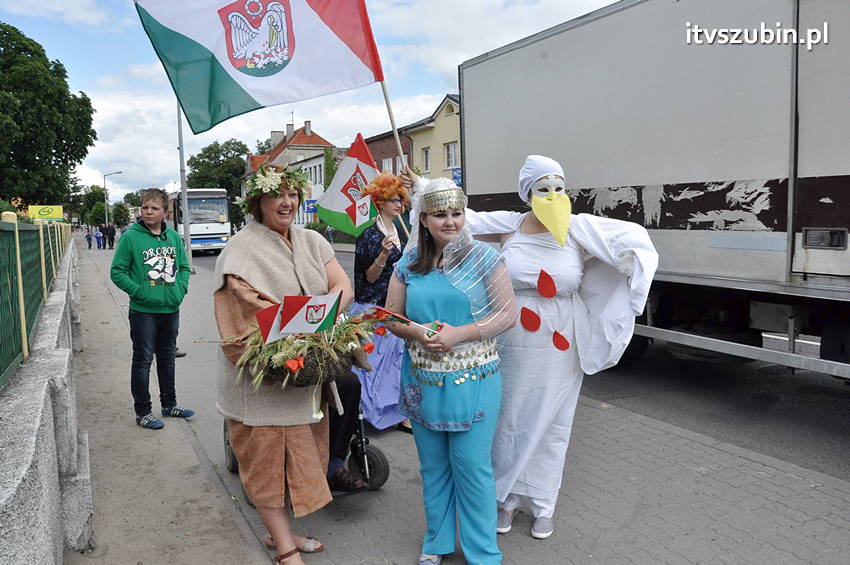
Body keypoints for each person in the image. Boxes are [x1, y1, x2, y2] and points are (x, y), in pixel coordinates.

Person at [455, 155, 658, 540]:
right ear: (528, 193)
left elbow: (629, 240)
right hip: (512, 337)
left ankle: (544, 503)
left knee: (553, 423)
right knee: (510, 418)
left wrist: (633, 268)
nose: (552, 195)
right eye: (543, 188)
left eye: (559, 188)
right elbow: (459, 220)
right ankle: (506, 500)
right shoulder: (510, 224)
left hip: (561, 339)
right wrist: (421, 190)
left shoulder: (579, 229)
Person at [214, 166, 354, 564]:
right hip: (261, 382)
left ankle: (282, 532)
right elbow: (245, 312)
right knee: (266, 465)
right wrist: (307, 323)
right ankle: (285, 548)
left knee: (297, 461)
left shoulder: (312, 241)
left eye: (293, 195)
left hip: (306, 378)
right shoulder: (238, 251)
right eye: (279, 195)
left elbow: (343, 286)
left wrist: (320, 319)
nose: (288, 202)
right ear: (258, 202)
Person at [384, 177, 517, 565]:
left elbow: (508, 315)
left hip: (474, 377)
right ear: (423, 220)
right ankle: (437, 541)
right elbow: (391, 318)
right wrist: (418, 332)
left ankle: (483, 553)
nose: (450, 222)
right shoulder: (408, 264)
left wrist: (460, 333)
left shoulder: (485, 259)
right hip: (423, 378)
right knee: (433, 465)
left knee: (472, 466)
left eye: (456, 213)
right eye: (440, 214)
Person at [110, 188, 195, 431]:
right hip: (143, 311)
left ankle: (169, 405)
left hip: (171, 309)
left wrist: (181, 289)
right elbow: (117, 272)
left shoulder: (173, 238)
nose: (148, 211)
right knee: (143, 361)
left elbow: (184, 267)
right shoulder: (131, 238)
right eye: (145, 207)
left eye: (154, 208)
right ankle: (143, 412)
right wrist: (140, 291)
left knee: (167, 359)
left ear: (165, 213)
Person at [350, 172, 410, 431]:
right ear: (380, 201)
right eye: (393, 199)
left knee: (396, 365)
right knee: (371, 365)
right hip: (374, 308)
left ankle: (397, 414)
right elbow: (369, 278)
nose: (399, 204)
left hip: (396, 308)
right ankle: (364, 414)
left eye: (401, 199)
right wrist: (384, 254)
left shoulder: (403, 232)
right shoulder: (369, 236)